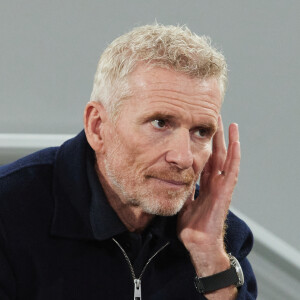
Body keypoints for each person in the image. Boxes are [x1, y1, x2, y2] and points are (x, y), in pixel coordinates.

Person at [0, 24, 257, 299]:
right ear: (98, 127)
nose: (183, 158)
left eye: (201, 132)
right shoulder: (9, 213)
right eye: (160, 123)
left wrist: (208, 256)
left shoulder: (222, 239)